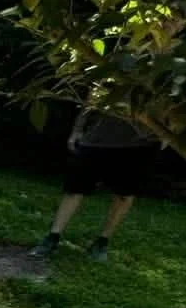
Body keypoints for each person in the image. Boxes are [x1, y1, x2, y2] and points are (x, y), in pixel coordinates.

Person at [32, 109, 167, 261]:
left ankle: (102, 242)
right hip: (96, 139)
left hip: (142, 144)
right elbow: (92, 99)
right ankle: (52, 237)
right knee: (74, 189)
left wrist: (168, 135)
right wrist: (77, 130)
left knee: (124, 194)